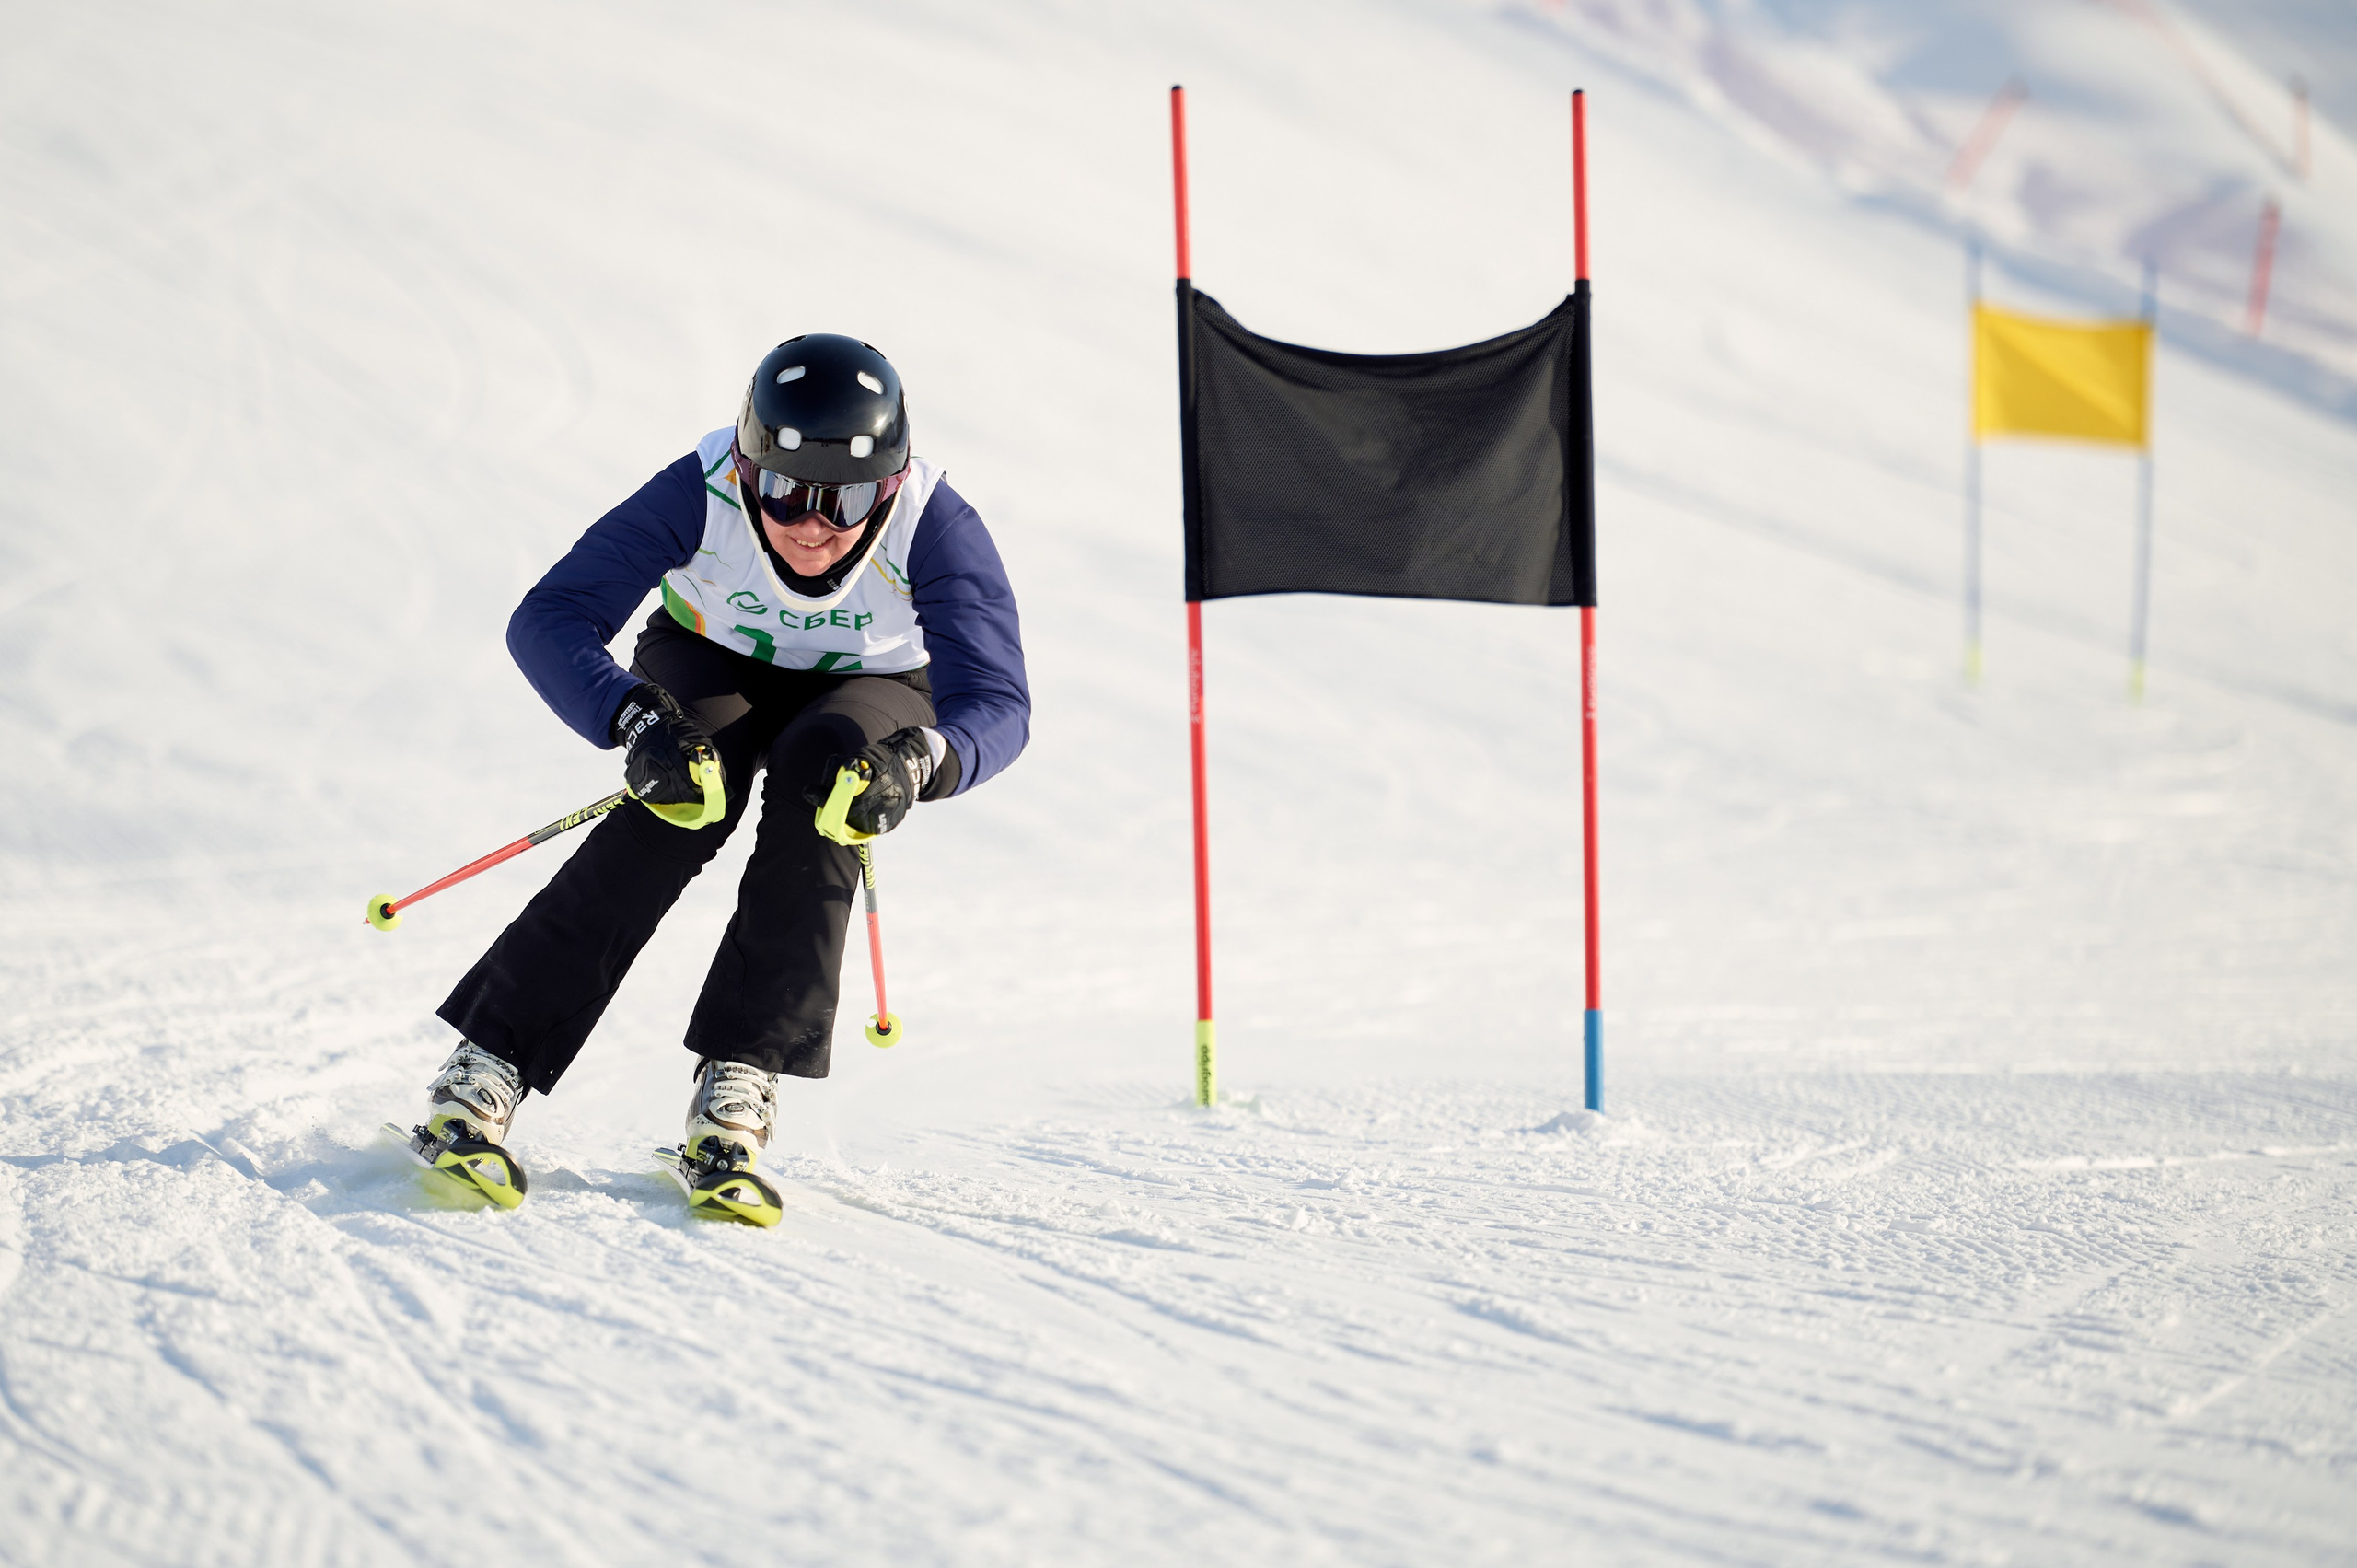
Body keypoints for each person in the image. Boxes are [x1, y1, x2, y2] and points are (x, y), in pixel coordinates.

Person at [413, 334, 1028, 1195]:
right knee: (684, 795)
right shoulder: (701, 486)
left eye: (845, 502)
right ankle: (489, 1063)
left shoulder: (936, 521)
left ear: (888, 486)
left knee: (832, 782)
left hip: (873, 683)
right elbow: (548, 617)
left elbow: (998, 702)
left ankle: (740, 1080)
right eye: (781, 491)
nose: (813, 524)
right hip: (712, 654)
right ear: (746, 466)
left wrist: (923, 761)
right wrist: (630, 718)